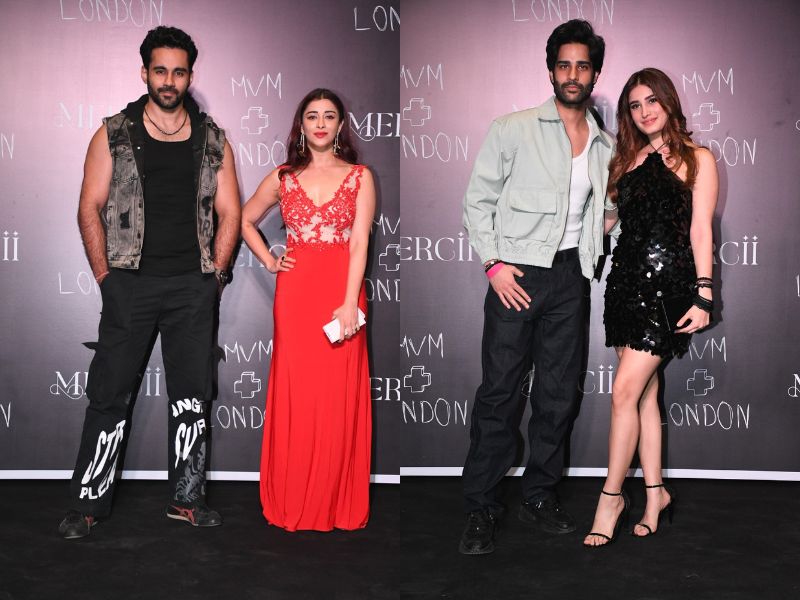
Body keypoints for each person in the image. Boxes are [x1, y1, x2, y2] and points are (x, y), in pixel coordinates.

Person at [58, 26, 241, 540]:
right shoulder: (114, 133)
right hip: (130, 284)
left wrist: (215, 278)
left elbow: (230, 212)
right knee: (109, 395)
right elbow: (89, 207)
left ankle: (187, 500)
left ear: (190, 76)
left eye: (178, 72)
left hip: (192, 287)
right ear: (144, 73)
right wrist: (106, 278)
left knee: (192, 397)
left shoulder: (213, 139)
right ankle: (87, 505)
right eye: (160, 70)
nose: (169, 81)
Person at [460, 20, 613, 555]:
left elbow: (602, 213)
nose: (573, 74)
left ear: (595, 74)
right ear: (551, 71)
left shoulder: (605, 144)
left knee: (557, 395)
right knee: (500, 392)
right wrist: (494, 266)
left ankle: (539, 495)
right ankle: (481, 505)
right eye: (564, 65)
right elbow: (477, 201)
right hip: (516, 274)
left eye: (582, 66)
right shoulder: (513, 128)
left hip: (570, 278)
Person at [583, 68, 717, 547]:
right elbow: (610, 223)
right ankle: (656, 493)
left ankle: (611, 498)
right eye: (635, 105)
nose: (644, 112)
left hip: (667, 290)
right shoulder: (627, 159)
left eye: (651, 101)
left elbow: (700, 230)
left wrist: (704, 294)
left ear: (668, 101)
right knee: (643, 395)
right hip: (624, 287)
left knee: (623, 392)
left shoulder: (698, 158)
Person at [241, 88, 375, 531]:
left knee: (336, 396)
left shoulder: (360, 177)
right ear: (301, 124)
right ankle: (294, 494)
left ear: (340, 125)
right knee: (298, 392)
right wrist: (269, 259)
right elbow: (244, 219)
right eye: (312, 115)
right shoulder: (283, 177)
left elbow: (360, 242)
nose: (320, 123)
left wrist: (350, 302)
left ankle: (333, 500)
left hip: (342, 293)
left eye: (329, 115)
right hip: (296, 295)